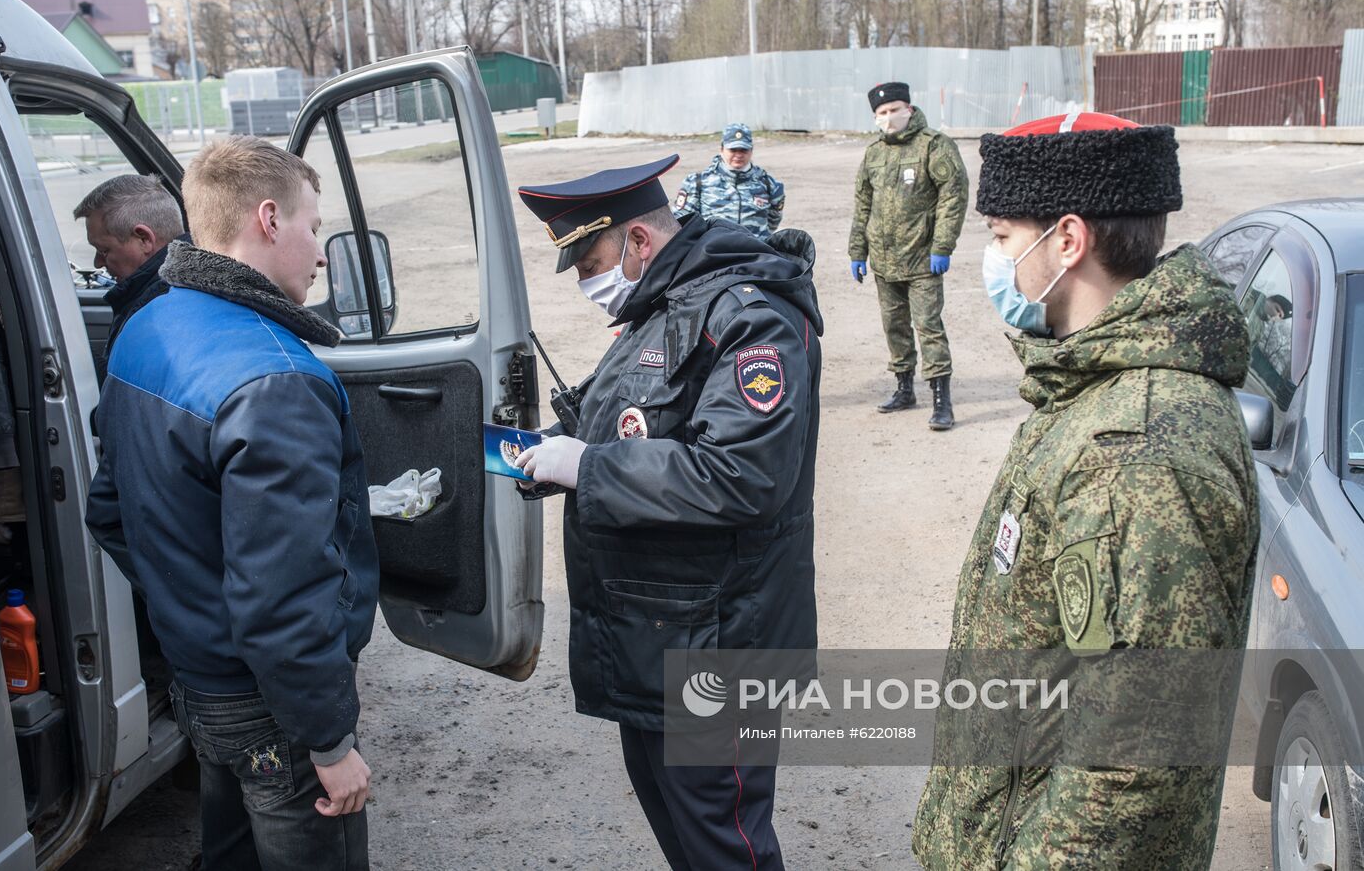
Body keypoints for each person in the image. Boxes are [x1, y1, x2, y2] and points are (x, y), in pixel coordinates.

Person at [911, 112, 1259, 869]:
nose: (994, 259)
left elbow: (1133, 758)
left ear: (1067, 241)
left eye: (1003, 237)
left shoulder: (1135, 446)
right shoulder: (1092, 382)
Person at [516, 155, 822, 870]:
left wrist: (589, 467)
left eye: (591, 260)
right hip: (659, 633)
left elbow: (741, 473)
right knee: (687, 837)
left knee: (725, 844)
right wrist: (565, 453)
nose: (591, 282)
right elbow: (647, 428)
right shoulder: (666, 302)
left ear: (640, 244)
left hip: (718, 644)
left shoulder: (749, 315)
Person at [85, 136, 377, 871]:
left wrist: (193, 613)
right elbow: (284, 592)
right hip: (271, 705)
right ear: (269, 219)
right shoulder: (276, 380)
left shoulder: (145, 327)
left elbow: (112, 511)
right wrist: (332, 742)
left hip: (200, 681)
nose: (319, 253)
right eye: (315, 227)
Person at [848, 82, 968, 428]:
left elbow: (953, 197)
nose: (889, 117)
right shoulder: (874, 153)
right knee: (894, 326)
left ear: (909, 109)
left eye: (894, 110)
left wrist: (943, 245)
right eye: (881, 113)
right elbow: (863, 205)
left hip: (922, 259)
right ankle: (904, 388)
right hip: (884, 262)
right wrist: (858, 250)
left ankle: (941, 401)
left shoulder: (934, 145)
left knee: (928, 326)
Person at [72, 173, 184, 369]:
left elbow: (121, 388)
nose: (98, 263)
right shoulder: (171, 291)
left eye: (103, 250)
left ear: (144, 239)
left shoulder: (157, 315)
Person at [674, 123, 786, 239]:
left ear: (751, 150)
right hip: (713, 252)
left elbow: (773, 221)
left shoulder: (769, 185)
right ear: (722, 149)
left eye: (743, 150)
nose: (738, 155)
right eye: (733, 150)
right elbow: (683, 221)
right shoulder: (697, 183)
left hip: (757, 253)